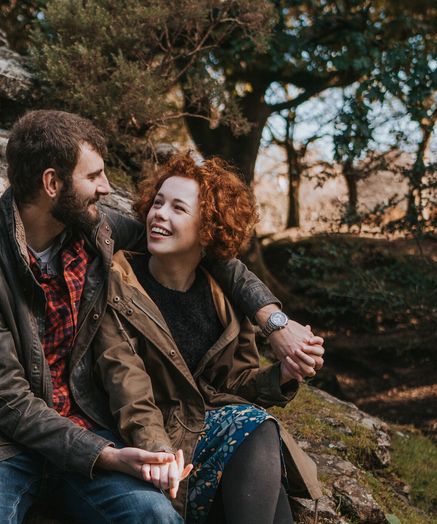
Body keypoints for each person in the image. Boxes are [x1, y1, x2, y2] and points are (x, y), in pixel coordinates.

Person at [0, 110, 323, 523]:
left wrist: (274, 321)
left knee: (157, 517)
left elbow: (207, 248)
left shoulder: (94, 228)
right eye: (94, 176)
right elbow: (7, 401)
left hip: (85, 424)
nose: (106, 187)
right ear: (51, 183)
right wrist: (108, 455)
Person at [94, 153, 324, 523]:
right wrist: (158, 452)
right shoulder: (119, 283)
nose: (159, 215)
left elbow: (233, 384)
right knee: (256, 431)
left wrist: (283, 374)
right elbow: (127, 386)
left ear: (207, 227)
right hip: (156, 439)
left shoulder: (223, 295)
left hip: (207, 429)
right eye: (158, 203)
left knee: (258, 442)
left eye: (178, 209)